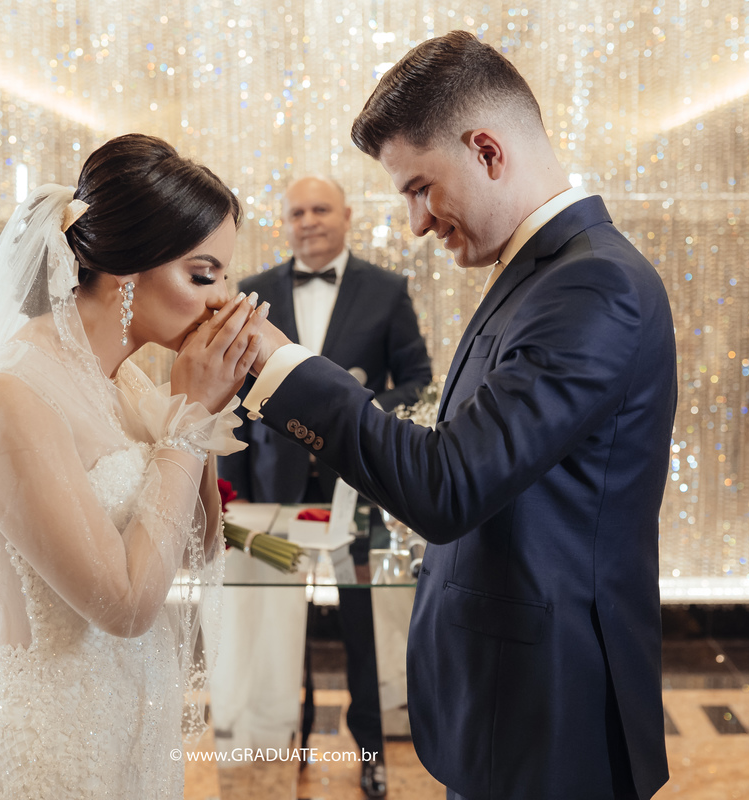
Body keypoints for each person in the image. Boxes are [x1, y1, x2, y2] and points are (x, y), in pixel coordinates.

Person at [239, 31, 677, 800]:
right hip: (506, 703)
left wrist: (283, 370)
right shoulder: (543, 275)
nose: (416, 222)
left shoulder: (592, 286)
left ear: (487, 151)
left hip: (549, 715)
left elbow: (448, 484)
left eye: (419, 188)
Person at [0, 134, 269, 800]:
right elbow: (125, 606)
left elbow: (198, 547)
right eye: (204, 275)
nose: (221, 302)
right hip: (46, 745)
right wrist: (186, 424)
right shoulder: (10, 394)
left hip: (124, 728)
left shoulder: (126, 384)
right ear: (129, 271)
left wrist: (198, 407)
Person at [217, 175, 431, 798]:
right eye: (297, 212)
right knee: (281, 626)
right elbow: (232, 393)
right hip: (272, 491)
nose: (308, 221)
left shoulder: (387, 290)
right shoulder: (253, 292)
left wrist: (355, 408)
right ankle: (293, 736)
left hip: (358, 491)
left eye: (320, 209)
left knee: (363, 627)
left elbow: (417, 380)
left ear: (346, 215)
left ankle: (372, 751)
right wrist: (232, 495)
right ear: (285, 223)